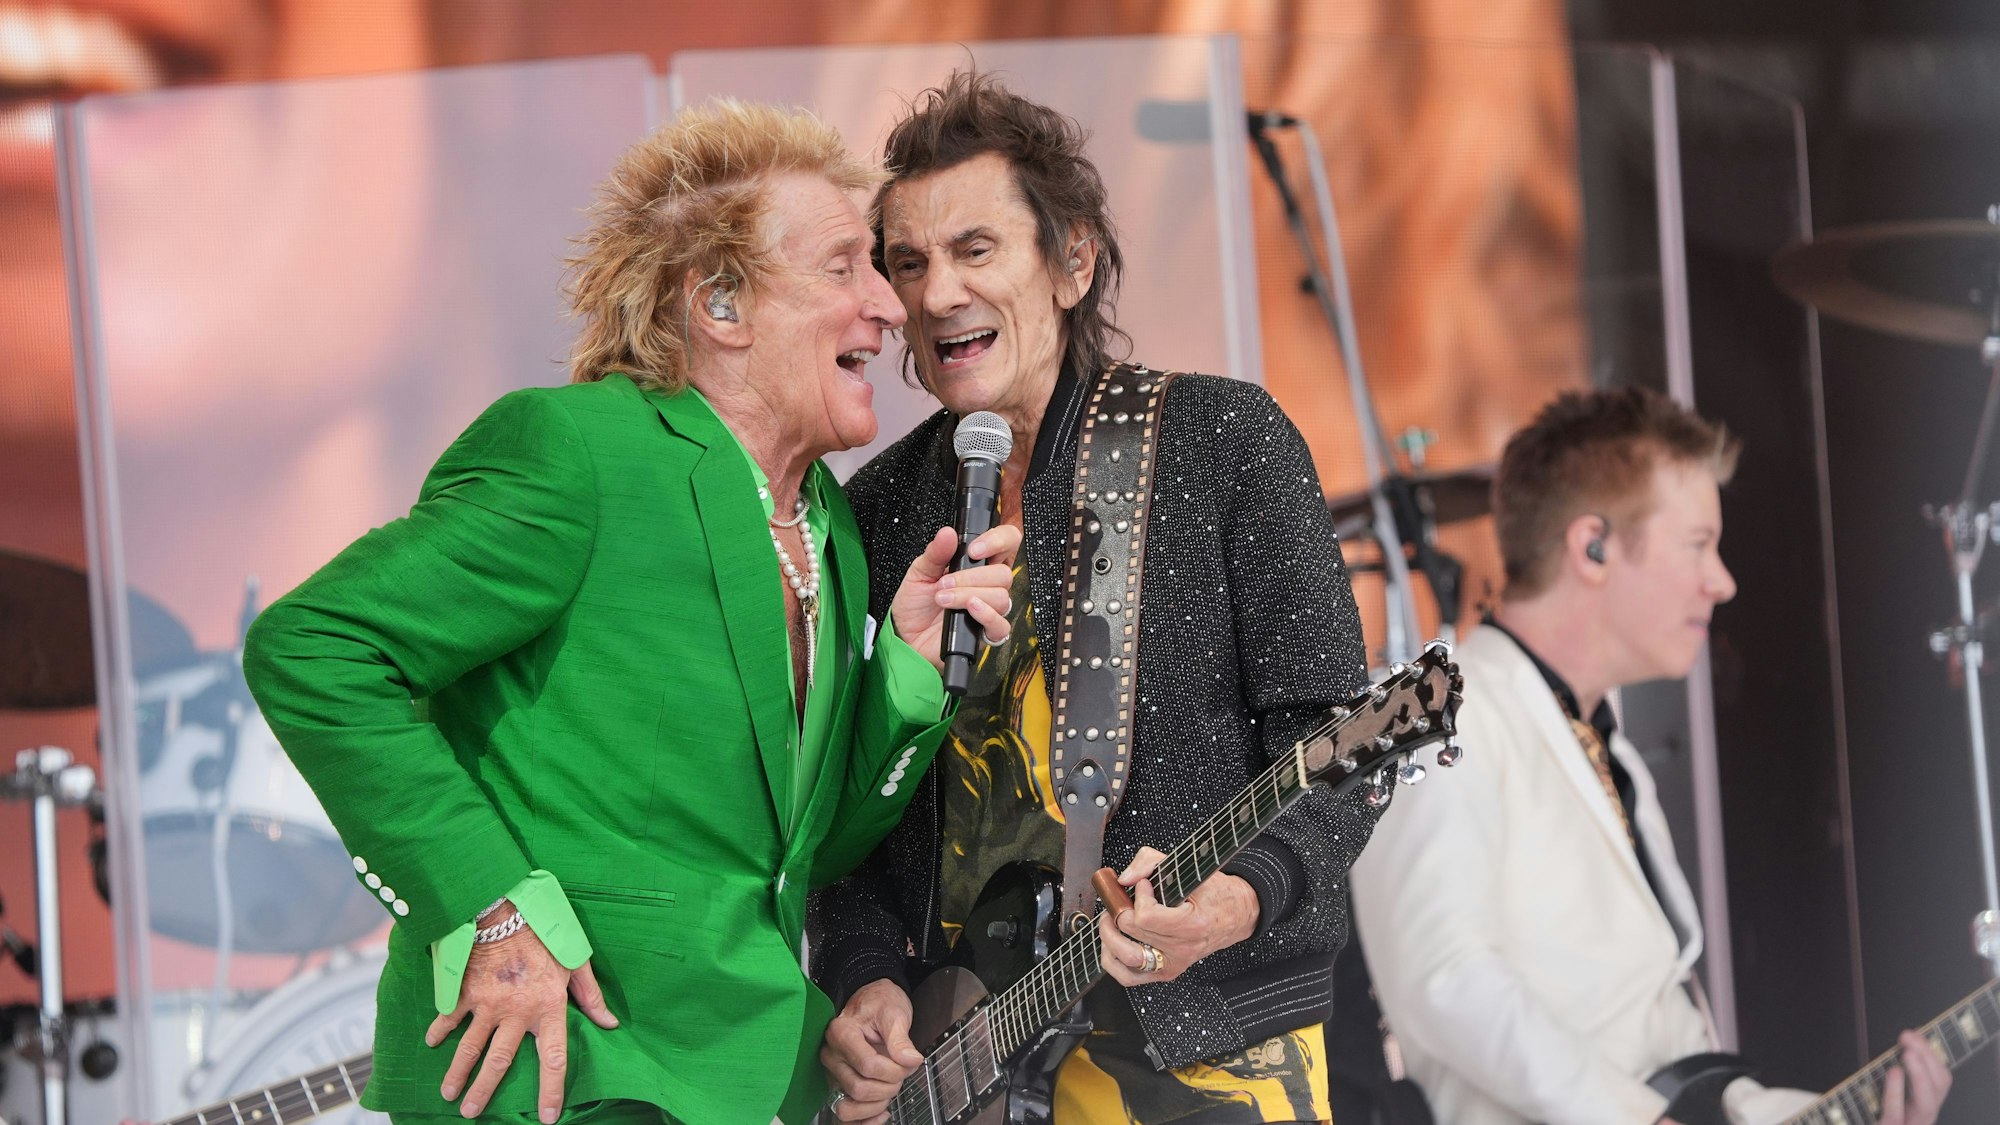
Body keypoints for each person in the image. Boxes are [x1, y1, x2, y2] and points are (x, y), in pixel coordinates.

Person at [242, 100, 1020, 1125]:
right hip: (561, 1079)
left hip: (743, 1081)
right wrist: (491, 912)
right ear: (722, 306)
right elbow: (313, 649)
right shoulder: (581, 455)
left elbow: (804, 851)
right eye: (844, 268)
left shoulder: (824, 523)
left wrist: (907, 672)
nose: (888, 305)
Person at [810, 71, 1376, 1125]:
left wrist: (1238, 896)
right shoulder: (875, 509)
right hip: (960, 1069)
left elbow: (1339, 745)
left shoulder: (1221, 442)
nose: (936, 295)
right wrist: (862, 974)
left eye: (975, 250)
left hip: (1199, 1050)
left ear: (1072, 262)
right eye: (908, 263)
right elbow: (848, 818)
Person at [1349, 387, 1952, 1125]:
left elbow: (1675, 1059)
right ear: (1593, 546)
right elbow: (1444, 978)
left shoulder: (1612, 749)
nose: (1723, 580)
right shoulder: (1431, 710)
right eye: (1699, 543)